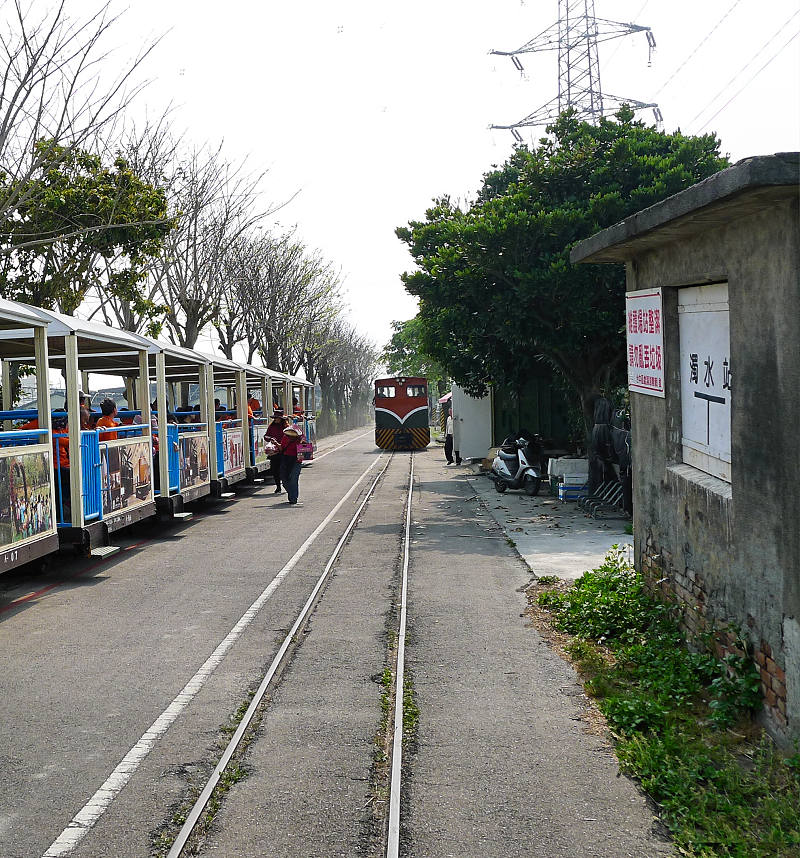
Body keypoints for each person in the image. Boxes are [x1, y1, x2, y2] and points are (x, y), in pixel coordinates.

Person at [280, 424, 304, 506]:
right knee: (284, 480)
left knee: (293, 478)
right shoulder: (285, 438)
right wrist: (275, 443)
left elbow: (305, 448)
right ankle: (292, 494)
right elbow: (281, 448)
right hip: (286, 459)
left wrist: (302, 443)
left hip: (296, 460)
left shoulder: (301, 438)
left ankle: (293, 498)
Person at [266, 408, 286, 493]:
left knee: (284, 470)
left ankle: (286, 485)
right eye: (274, 418)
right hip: (274, 452)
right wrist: (270, 439)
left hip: (284, 451)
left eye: (276, 418)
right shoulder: (271, 427)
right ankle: (278, 486)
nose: (275, 419)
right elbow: (266, 436)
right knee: (274, 470)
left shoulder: (286, 427)